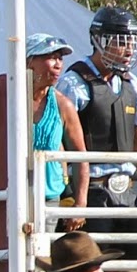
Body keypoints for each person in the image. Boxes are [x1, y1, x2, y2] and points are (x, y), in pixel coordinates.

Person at [56, 7, 137, 270]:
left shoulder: (132, 84)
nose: (128, 50)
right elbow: (60, 140)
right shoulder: (74, 83)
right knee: (91, 264)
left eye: (131, 43)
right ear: (100, 41)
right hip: (92, 188)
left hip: (126, 190)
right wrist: (71, 195)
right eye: (121, 42)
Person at [25, 34, 89, 217]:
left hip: (49, 199)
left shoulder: (63, 105)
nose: (58, 64)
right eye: (51, 57)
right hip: (10, 195)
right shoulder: (6, 99)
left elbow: (80, 157)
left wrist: (80, 204)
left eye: (60, 58)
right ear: (30, 61)